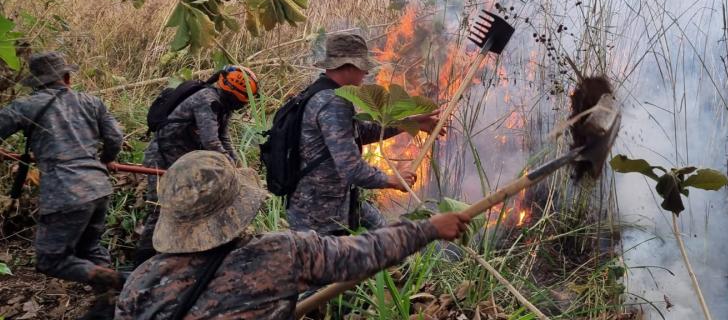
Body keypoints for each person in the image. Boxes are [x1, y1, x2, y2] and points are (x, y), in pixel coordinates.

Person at [115, 150, 470, 319]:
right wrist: (429, 228)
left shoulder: (139, 284)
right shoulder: (278, 256)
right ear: (237, 206)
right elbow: (363, 253)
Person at [0, 51, 125, 318]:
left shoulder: (26, 107)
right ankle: (108, 308)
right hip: (99, 188)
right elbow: (115, 136)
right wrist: (106, 159)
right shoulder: (91, 102)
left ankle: (111, 278)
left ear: (35, 83)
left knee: (49, 260)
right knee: (90, 248)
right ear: (67, 78)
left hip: (64, 193)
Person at [287, 33, 443, 235]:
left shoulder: (325, 92)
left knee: (386, 238)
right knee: (351, 258)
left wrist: (410, 123)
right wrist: (391, 180)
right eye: (362, 66)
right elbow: (351, 168)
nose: (366, 71)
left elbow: (359, 132)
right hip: (320, 213)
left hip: (339, 199)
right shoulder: (332, 103)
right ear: (349, 66)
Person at [133, 65, 259, 265]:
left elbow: (223, 137)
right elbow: (211, 141)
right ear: (234, 94)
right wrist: (228, 165)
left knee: (187, 207)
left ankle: (175, 254)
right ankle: (141, 260)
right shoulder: (207, 100)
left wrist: (236, 163)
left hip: (183, 162)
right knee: (159, 208)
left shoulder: (222, 106)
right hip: (161, 159)